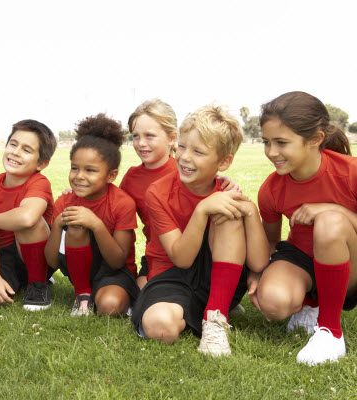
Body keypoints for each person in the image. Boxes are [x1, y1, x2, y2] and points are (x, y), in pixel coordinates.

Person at [131, 104, 269, 356]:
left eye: (199, 152)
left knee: (226, 214)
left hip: (215, 272)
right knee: (160, 327)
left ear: (224, 162)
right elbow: (181, 259)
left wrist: (250, 210)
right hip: (172, 275)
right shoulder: (158, 192)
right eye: (181, 146)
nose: (184, 157)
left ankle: (216, 317)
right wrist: (201, 209)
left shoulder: (226, 194)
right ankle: (204, 307)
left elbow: (259, 263)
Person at [254, 91, 357, 366]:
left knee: (330, 222)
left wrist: (335, 210)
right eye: (266, 142)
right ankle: (312, 305)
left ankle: (330, 331)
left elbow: (336, 221)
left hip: (351, 260)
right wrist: (257, 278)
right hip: (303, 258)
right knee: (274, 302)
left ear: (315, 139)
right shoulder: (271, 189)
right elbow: (271, 243)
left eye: (281, 142)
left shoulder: (351, 173)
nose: (271, 152)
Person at [120, 98, 239, 290]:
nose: (141, 143)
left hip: (200, 250)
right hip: (159, 257)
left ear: (172, 138)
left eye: (149, 135)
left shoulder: (185, 170)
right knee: (140, 293)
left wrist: (228, 182)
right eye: (135, 136)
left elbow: (210, 182)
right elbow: (116, 209)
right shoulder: (131, 178)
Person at [45, 113, 139, 317]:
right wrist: (59, 225)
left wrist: (96, 224)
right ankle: (83, 295)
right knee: (76, 224)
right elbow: (52, 261)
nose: (79, 176)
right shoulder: (65, 201)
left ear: (111, 175)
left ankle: (119, 297)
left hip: (115, 272)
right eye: (74, 168)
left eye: (90, 170)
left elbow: (117, 262)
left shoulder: (122, 203)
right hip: (81, 269)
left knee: (109, 306)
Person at [0, 119, 57, 311]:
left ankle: (38, 284)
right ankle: (20, 281)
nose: (16, 152)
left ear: (41, 163)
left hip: (38, 252)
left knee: (30, 223)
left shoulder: (39, 182)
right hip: (3, 257)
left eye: (27, 150)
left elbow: (27, 217)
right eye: (13, 144)